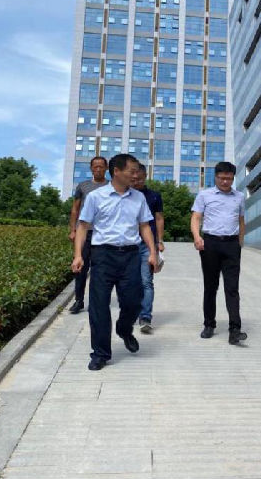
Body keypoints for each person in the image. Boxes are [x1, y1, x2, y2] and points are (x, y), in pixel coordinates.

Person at [72, 154, 160, 370]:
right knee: (99, 305)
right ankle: (100, 353)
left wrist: (153, 252)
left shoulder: (138, 198)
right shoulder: (96, 197)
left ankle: (124, 328)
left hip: (130, 255)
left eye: (137, 171)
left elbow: (145, 226)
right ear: (117, 171)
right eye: (132, 171)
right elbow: (83, 226)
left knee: (134, 300)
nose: (136, 175)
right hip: (103, 255)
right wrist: (78, 255)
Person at [190, 161, 247, 344]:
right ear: (215, 177)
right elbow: (196, 217)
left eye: (229, 178)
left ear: (233, 178)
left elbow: (241, 221)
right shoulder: (204, 195)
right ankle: (209, 324)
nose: (225, 182)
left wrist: (240, 242)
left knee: (232, 288)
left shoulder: (239, 197)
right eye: (222, 178)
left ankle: (235, 329)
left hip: (231, 245)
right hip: (210, 244)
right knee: (210, 286)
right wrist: (197, 237)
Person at [67, 156, 108, 314]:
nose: (98, 169)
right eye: (95, 166)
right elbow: (75, 209)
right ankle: (79, 300)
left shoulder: (110, 186)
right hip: (84, 233)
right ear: (91, 168)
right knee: (80, 268)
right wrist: (73, 230)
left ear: (106, 168)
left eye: (101, 166)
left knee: (100, 270)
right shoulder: (83, 186)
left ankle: (96, 301)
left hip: (103, 234)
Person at [132, 163, 164, 334]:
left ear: (145, 177)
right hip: (127, 244)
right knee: (129, 282)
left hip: (147, 244)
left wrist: (159, 241)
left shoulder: (154, 196)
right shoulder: (124, 194)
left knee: (146, 281)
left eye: (139, 178)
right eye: (133, 178)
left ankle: (145, 317)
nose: (136, 181)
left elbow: (159, 219)